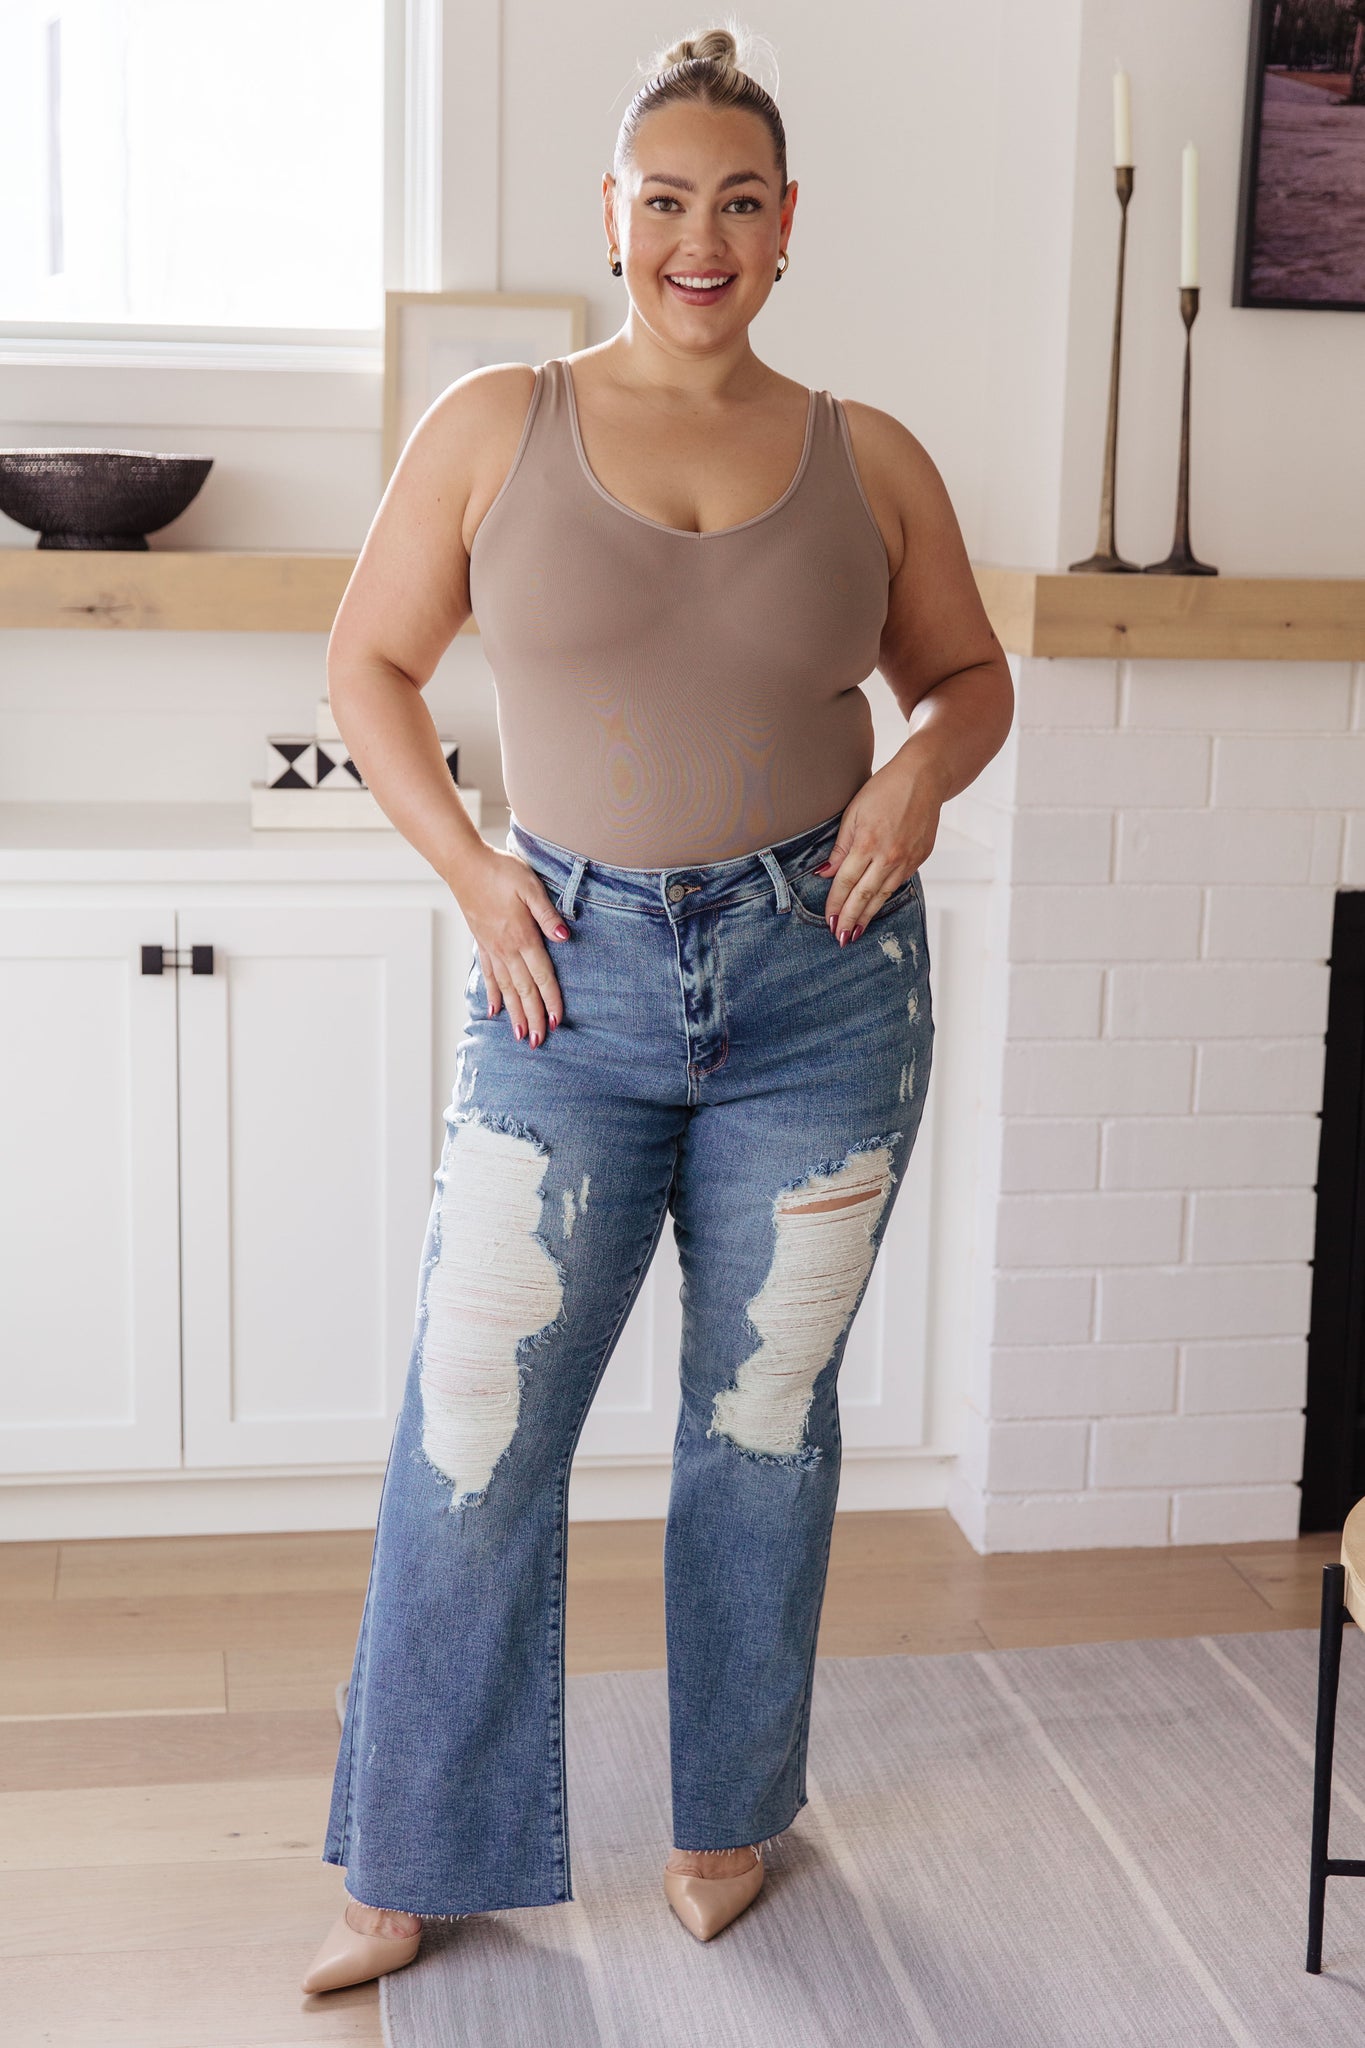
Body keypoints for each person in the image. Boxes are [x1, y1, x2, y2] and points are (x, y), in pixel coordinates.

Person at [302, 22, 1013, 1997]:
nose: (701, 236)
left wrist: (915, 774)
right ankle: (408, 1854)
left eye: (739, 202)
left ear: (786, 228)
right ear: (610, 217)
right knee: (475, 1420)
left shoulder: (869, 456)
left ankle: (727, 1816)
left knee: (758, 1420)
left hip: (824, 987)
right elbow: (366, 667)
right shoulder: (494, 423)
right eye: (667, 199)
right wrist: (474, 871)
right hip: (567, 982)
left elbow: (966, 679)